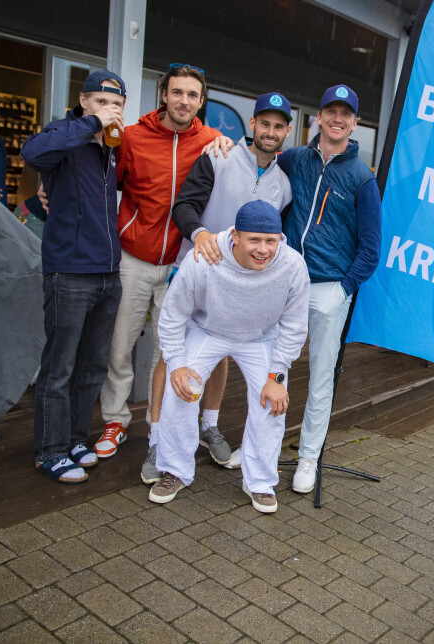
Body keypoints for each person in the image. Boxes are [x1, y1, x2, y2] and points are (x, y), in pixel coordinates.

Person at [93, 64, 223, 472]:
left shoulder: (213, 142)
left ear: (201, 102)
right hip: (133, 256)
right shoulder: (132, 137)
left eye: (193, 95)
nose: (185, 100)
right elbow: (104, 184)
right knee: (120, 344)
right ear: (164, 95)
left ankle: (159, 423)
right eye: (178, 92)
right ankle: (115, 421)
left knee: (170, 352)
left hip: (181, 264)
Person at [165, 90, 294, 482]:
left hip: (243, 292)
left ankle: (210, 425)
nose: (270, 132)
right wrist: (201, 233)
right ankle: (160, 443)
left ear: (287, 132)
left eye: (278, 126)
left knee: (221, 355)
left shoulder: (284, 184)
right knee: (173, 362)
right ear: (251, 124)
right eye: (264, 123)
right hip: (201, 273)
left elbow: (276, 243)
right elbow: (183, 206)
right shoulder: (217, 155)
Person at [151, 201, 310, 511]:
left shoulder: (292, 265)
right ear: (235, 236)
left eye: (271, 241)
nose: (263, 249)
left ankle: (260, 482)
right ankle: (174, 470)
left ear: (280, 238)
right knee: (181, 389)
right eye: (254, 240)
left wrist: (277, 375)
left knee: (272, 403)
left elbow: (294, 325)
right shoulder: (204, 257)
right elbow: (172, 315)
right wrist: (176, 363)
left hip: (260, 337)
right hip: (207, 330)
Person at [20, 70, 126, 483]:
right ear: (84, 101)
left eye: (115, 104)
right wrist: (90, 125)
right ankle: (49, 450)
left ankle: (76, 439)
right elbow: (33, 154)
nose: (109, 110)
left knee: (92, 367)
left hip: (107, 272)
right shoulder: (66, 132)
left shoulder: (111, 147)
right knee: (59, 367)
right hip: (69, 270)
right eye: (101, 101)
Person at [277, 84, 381, 494]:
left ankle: (307, 457)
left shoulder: (361, 177)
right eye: (330, 111)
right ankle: (263, 448)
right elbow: (260, 156)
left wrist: (344, 289)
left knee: (321, 376)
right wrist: (224, 144)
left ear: (354, 123)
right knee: (273, 369)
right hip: (285, 282)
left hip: (328, 287)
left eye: (346, 113)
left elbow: (372, 248)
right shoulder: (297, 159)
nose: (338, 119)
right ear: (317, 117)